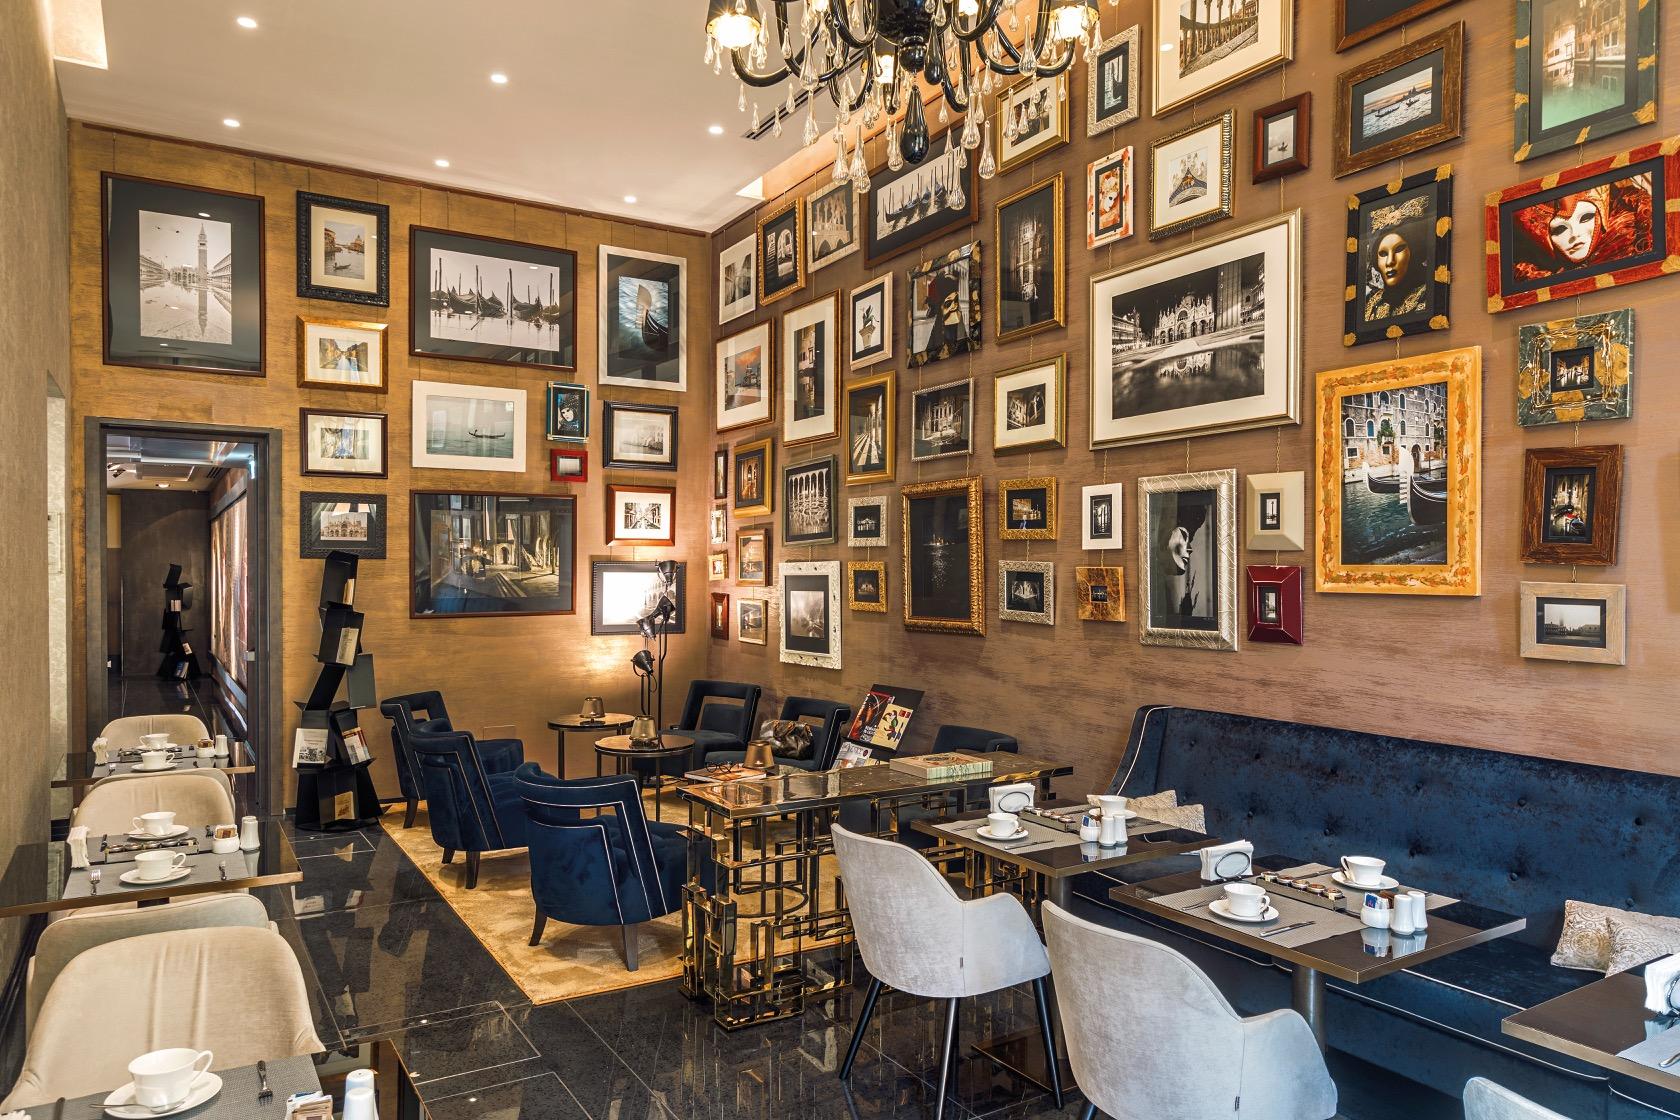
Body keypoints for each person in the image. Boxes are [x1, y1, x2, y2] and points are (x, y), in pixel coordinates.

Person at [1512, 177, 1654, 281]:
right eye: (1559, 230)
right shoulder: (1528, 274)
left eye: (1586, 218)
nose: (1575, 234)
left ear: (1601, 214)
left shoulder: (1630, 236)